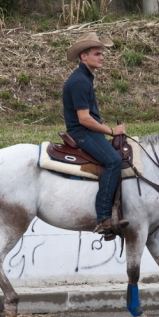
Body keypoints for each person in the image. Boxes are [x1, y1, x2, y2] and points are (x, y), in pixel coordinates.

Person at [63, 32, 128, 236]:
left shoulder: (84, 78)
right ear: (84, 56)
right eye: (97, 54)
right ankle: (103, 218)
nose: (102, 57)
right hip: (82, 132)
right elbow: (84, 118)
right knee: (114, 161)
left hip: (87, 129)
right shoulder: (80, 81)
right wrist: (112, 130)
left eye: (102, 54)